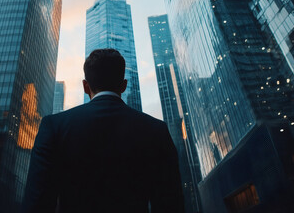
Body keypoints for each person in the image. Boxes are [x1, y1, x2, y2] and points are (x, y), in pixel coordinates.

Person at [22, 48, 184, 213]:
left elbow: (37, 202)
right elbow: (171, 204)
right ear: (123, 85)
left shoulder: (54, 126)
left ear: (86, 86)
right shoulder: (156, 130)